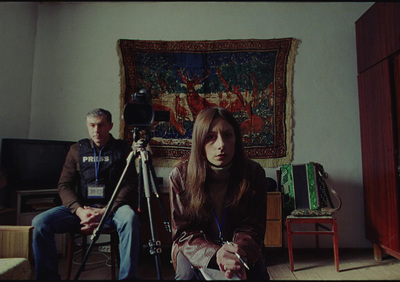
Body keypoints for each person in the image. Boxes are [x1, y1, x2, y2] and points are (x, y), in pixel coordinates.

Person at [32, 108, 141, 280]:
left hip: (112, 209)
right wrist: (79, 211)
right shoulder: (76, 150)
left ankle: (127, 278)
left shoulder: (122, 149)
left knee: (130, 219)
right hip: (82, 209)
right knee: (40, 223)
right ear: (87, 126)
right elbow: (64, 185)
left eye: (101, 125)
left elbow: (131, 183)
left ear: (110, 126)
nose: (96, 130)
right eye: (92, 125)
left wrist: (107, 210)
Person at [169, 107, 271, 280]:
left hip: (239, 246)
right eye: (211, 137)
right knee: (186, 276)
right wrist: (215, 254)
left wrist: (236, 253)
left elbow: (253, 227)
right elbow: (184, 232)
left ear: (236, 140)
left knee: (257, 274)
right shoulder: (180, 175)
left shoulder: (253, 173)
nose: (221, 145)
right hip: (194, 246)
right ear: (199, 141)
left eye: (228, 136)